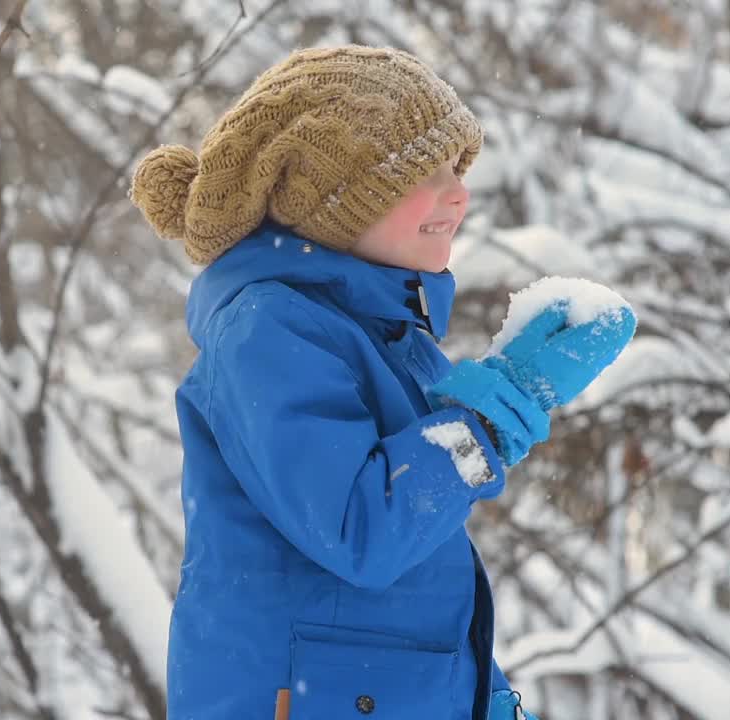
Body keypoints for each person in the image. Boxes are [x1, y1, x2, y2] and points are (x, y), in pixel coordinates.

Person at [130, 44, 633, 720]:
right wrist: (505, 400)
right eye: (423, 173)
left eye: (458, 167)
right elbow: (361, 528)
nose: (457, 193)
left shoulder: (384, 336)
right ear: (331, 201)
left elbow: (410, 603)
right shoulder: (267, 331)